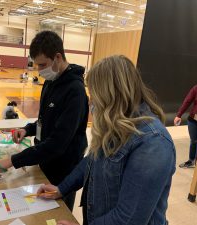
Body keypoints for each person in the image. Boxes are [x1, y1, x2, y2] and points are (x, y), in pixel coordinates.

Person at [36, 55, 176, 225]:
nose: (91, 102)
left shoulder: (153, 143)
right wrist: (61, 189)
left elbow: (129, 219)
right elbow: (92, 160)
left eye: (95, 95)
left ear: (112, 95)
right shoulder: (116, 124)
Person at [0, 31, 89, 211]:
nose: (40, 71)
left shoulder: (76, 92)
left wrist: (12, 160)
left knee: (57, 216)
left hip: (63, 172)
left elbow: (57, 143)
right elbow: (44, 121)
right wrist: (27, 129)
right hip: (44, 162)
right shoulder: (50, 82)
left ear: (57, 57)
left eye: (43, 65)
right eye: (37, 65)